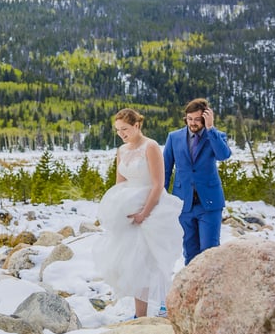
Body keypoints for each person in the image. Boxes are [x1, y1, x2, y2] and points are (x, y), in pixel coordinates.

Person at [94, 108, 183, 319]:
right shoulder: (122, 151)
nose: (121, 134)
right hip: (130, 210)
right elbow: (120, 183)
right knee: (132, 263)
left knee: (150, 261)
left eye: (125, 129)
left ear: (137, 125)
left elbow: (158, 183)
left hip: (151, 209)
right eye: (117, 130)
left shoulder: (150, 147)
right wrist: (119, 208)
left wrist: (144, 213)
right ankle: (139, 314)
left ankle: (162, 306)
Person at [162, 98, 232, 264]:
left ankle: (211, 289)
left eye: (197, 119)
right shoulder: (173, 137)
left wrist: (210, 128)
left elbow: (223, 155)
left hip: (209, 203)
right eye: (189, 119)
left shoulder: (216, 135)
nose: (192, 123)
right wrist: (162, 197)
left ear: (206, 118)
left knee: (210, 252)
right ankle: (191, 289)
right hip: (183, 203)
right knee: (190, 252)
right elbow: (165, 169)